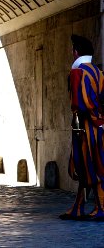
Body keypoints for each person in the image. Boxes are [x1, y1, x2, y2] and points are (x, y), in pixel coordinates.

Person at [60, 35, 104, 220]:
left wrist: (96, 119)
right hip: (95, 125)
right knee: (88, 165)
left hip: (86, 127)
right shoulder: (98, 72)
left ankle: (100, 207)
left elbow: (82, 102)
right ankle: (79, 206)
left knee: (88, 164)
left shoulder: (78, 72)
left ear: (75, 52)